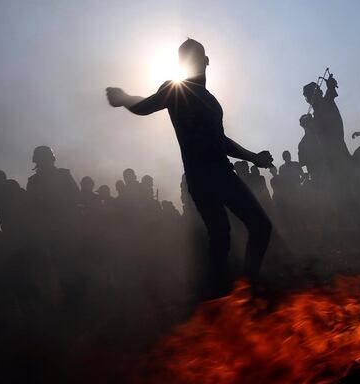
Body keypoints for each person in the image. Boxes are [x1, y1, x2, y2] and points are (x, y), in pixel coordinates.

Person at [106, 38, 273, 294]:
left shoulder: (212, 101)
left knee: (260, 226)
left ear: (207, 61)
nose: (194, 62)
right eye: (188, 58)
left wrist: (254, 158)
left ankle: (246, 289)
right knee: (221, 238)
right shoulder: (176, 90)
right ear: (181, 64)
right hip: (200, 176)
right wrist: (125, 98)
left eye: (198, 57)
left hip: (223, 172)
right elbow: (147, 105)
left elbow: (221, 140)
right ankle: (218, 299)